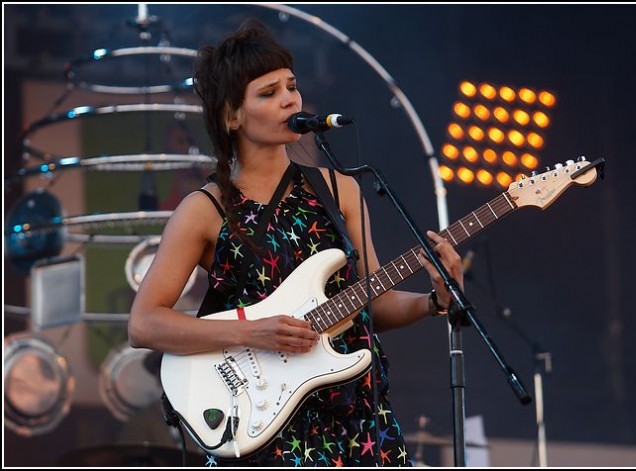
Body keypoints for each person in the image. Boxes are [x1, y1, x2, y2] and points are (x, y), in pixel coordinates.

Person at [128, 18, 464, 467]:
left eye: (291, 86)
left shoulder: (340, 188)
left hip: (359, 423)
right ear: (232, 116)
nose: (289, 99)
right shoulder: (204, 209)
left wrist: (434, 300)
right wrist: (252, 332)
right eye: (268, 93)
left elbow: (371, 304)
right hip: (262, 425)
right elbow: (144, 324)